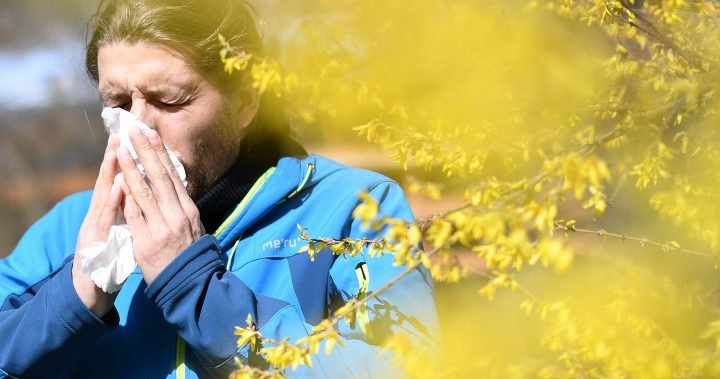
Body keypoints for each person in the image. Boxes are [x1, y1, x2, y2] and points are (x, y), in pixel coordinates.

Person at [0, 1, 438, 378]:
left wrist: (197, 291)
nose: (139, 127)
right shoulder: (71, 228)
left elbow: (404, 364)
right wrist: (73, 300)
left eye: (169, 101)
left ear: (244, 103)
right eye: (117, 103)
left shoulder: (351, 208)